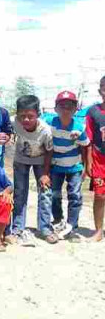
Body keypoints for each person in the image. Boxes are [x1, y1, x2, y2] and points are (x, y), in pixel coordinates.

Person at [10, 95, 58, 245]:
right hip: (21, 160)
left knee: (45, 192)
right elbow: (5, 129)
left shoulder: (45, 130)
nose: (26, 120)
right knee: (19, 193)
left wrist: (45, 174)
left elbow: (50, 151)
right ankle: (17, 228)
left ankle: (44, 228)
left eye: (30, 116)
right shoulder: (13, 122)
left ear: (38, 114)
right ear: (17, 114)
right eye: (22, 116)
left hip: (41, 161)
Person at [46, 91, 89, 241]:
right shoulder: (49, 123)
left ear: (75, 109)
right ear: (56, 108)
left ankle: (72, 226)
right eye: (62, 106)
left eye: (70, 106)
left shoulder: (79, 127)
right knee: (54, 194)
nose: (66, 110)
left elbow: (85, 146)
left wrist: (85, 166)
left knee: (75, 196)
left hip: (75, 166)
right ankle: (58, 220)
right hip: (56, 166)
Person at [86, 75, 105, 242]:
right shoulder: (93, 112)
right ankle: (99, 231)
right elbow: (89, 140)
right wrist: (89, 162)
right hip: (99, 160)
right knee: (100, 196)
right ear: (100, 90)